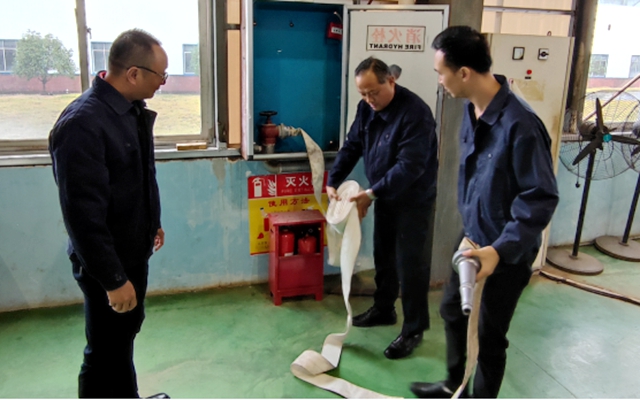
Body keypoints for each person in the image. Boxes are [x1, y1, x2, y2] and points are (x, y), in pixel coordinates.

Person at [410, 26, 559, 398]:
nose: (439, 81)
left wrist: (499, 250)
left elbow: (540, 197)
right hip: (473, 237)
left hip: (505, 251)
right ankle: (454, 384)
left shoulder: (521, 125)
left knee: (489, 335)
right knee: (452, 311)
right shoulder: (471, 110)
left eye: (441, 73)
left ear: (463, 72)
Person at [49, 29, 169, 399]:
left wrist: (152, 222)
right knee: (104, 351)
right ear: (133, 73)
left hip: (131, 251)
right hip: (107, 263)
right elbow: (82, 215)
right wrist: (113, 279)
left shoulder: (129, 110)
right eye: (160, 75)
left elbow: (137, 177)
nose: (163, 83)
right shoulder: (82, 123)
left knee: (122, 339)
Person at [326, 56, 438, 360]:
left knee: (411, 264)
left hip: (413, 200)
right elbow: (353, 145)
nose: (369, 99)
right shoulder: (366, 109)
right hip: (383, 196)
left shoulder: (416, 113)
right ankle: (384, 309)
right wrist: (333, 179)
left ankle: (413, 329)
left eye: (373, 92)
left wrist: (371, 193)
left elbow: (410, 166)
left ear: (391, 80)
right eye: (363, 94)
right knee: (383, 255)